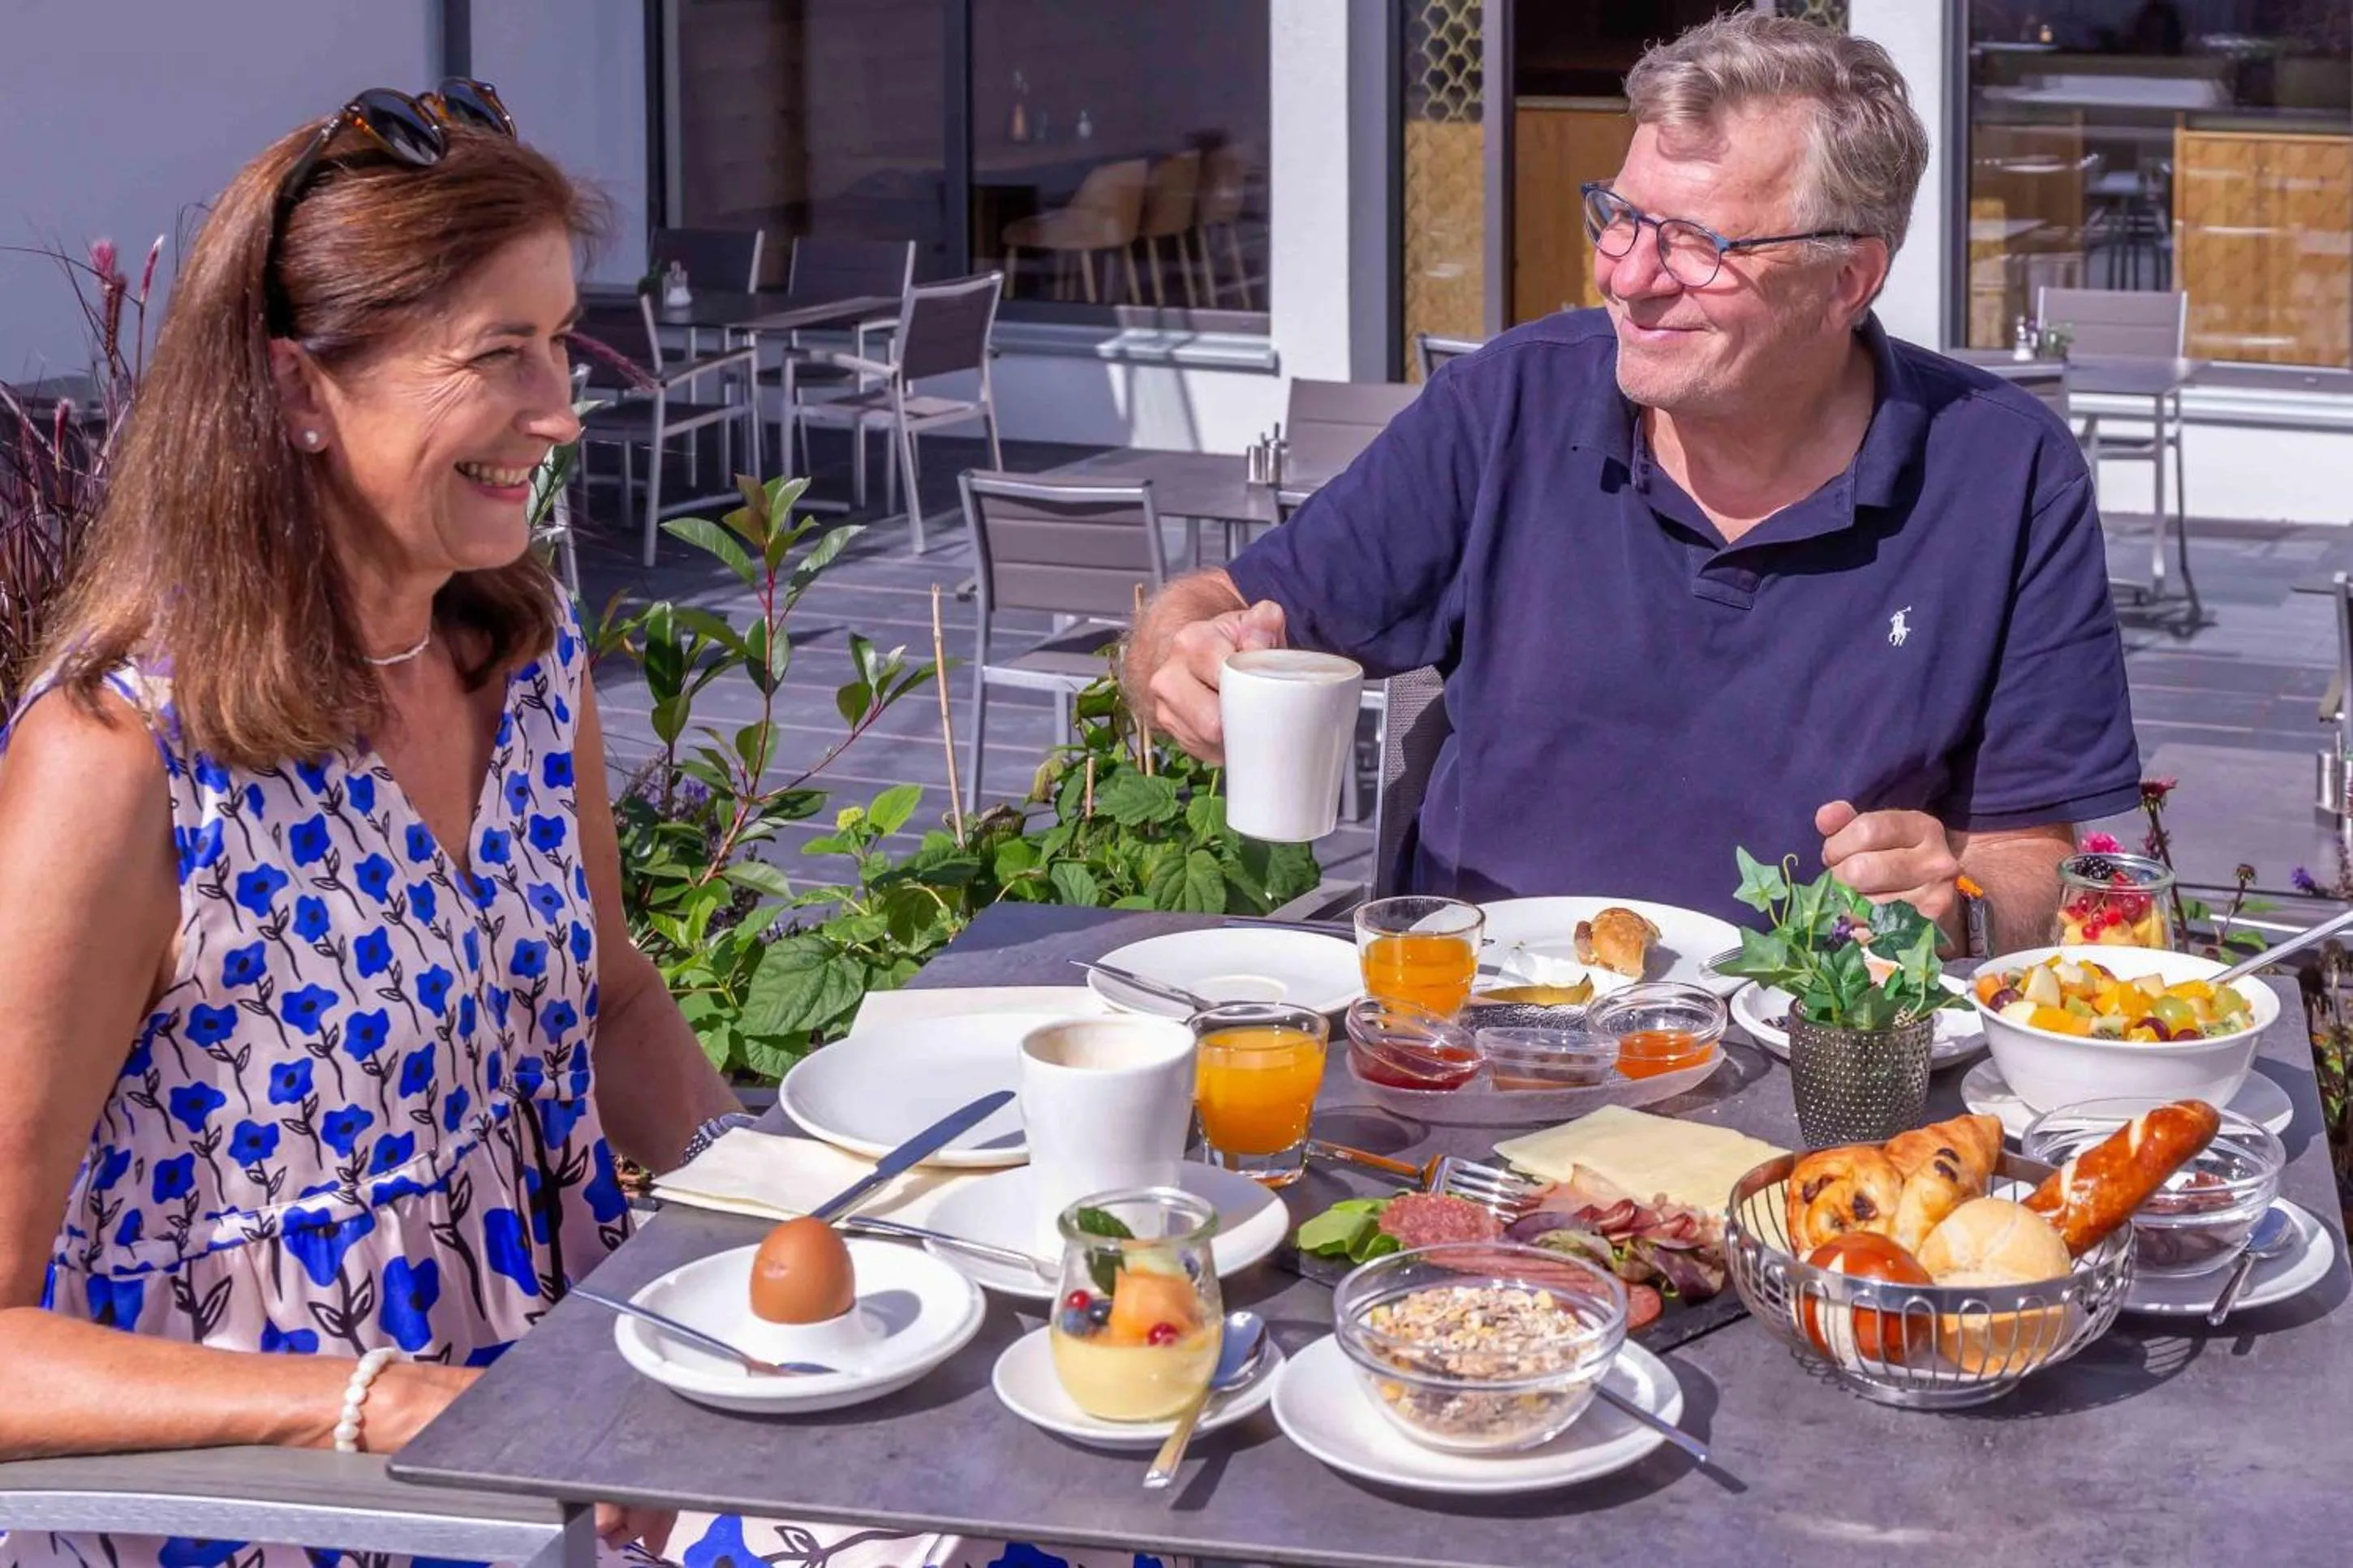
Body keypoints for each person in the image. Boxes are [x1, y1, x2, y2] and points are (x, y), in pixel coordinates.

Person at [0, 83, 1154, 1568]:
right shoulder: (120, 756)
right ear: (297, 391)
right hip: (298, 1494)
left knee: (1048, 1498)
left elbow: (611, 1005)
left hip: (586, 1422)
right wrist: (367, 1399)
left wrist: (788, 1230)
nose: (559, 412)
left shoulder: (525, 665)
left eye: (560, 342)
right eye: (499, 357)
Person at [1127, 14, 2141, 952]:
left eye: (1698, 244)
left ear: (1847, 279)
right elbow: (1221, 607)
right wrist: (1184, 654)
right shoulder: (1510, 405)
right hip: (1479, 1024)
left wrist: (1952, 905)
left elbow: (2032, 857)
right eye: (1618, 216)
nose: (1626, 274)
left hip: (1800, 1046)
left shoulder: (2001, 473)